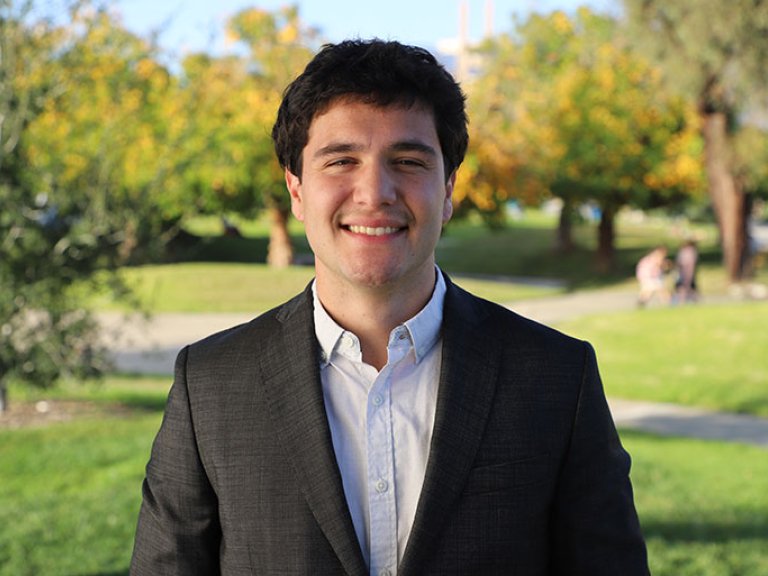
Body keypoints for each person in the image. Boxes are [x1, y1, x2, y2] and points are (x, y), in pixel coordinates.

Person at [130, 39, 649, 576]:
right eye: (341, 161)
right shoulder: (211, 384)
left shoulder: (557, 378)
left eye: (407, 161)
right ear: (297, 189)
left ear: (447, 189)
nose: (374, 191)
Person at [673, 239, 699, 303]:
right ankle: (683, 301)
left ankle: (687, 301)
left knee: (689, 288)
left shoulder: (683, 251)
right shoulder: (690, 252)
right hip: (686, 272)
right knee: (685, 287)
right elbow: (690, 264)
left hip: (683, 272)